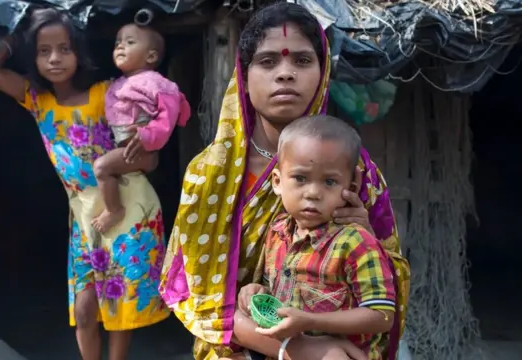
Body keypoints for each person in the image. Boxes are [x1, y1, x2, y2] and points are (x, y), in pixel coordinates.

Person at [159, 2, 410, 360]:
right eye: (267, 61)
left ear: (323, 74)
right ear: (243, 77)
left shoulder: (359, 175)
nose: (286, 73)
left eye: (303, 61)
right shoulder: (208, 175)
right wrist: (302, 348)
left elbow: (388, 289)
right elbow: (190, 292)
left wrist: (366, 237)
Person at [0, 9, 170, 360]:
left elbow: (149, 156)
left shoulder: (107, 94)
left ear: (79, 53)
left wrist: (135, 155)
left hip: (128, 207)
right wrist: (13, 41)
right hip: (83, 215)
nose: (54, 58)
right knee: (84, 310)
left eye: (64, 49)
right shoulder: (38, 101)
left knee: (119, 306)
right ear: (32, 57)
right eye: (43, 50)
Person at [228, 115, 398, 360]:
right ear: (277, 182)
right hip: (288, 348)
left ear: (350, 187)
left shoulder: (356, 243)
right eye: (300, 178)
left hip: (341, 354)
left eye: (329, 181)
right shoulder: (277, 233)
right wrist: (258, 291)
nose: (313, 193)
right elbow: (281, 292)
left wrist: (310, 321)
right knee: (230, 322)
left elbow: (382, 316)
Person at [92, 23, 191, 233]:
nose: (120, 47)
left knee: (101, 168)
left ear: (151, 56)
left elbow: (168, 117)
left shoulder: (158, 83)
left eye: (129, 42)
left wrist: (147, 135)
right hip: (125, 148)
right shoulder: (117, 83)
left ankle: (114, 210)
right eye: (118, 42)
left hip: (144, 150)